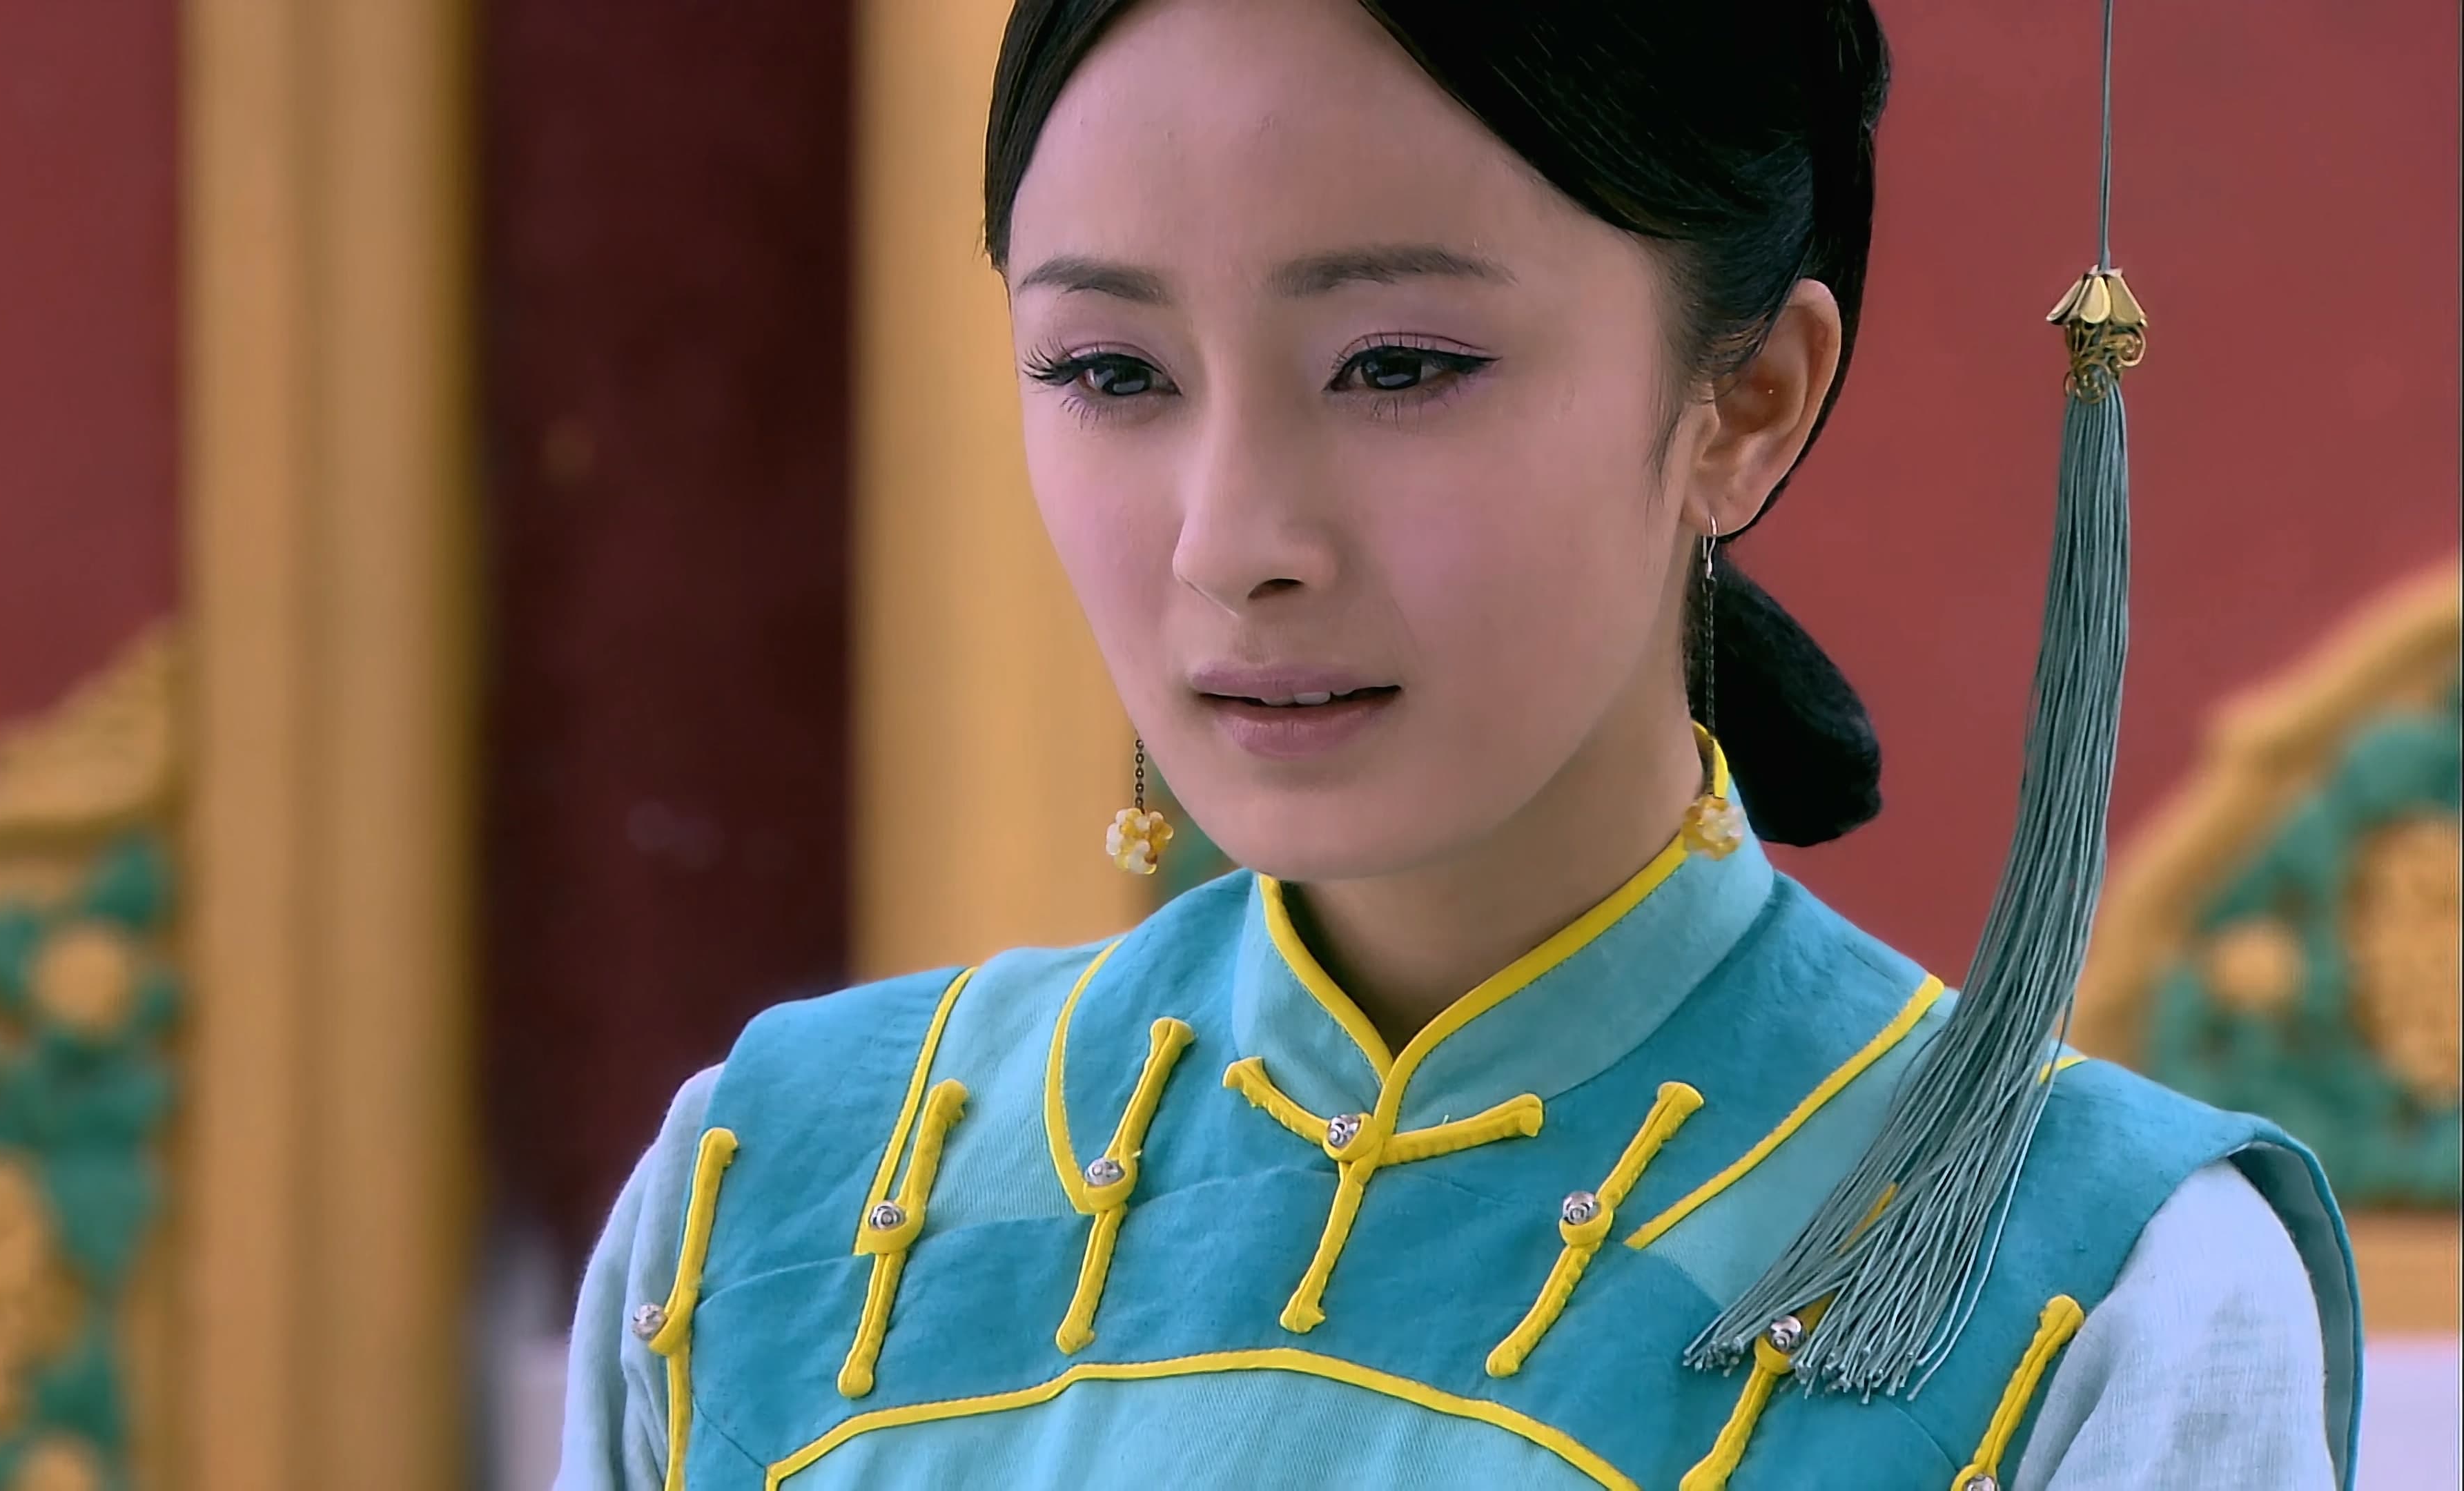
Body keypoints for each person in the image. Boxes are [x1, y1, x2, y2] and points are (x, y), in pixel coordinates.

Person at [558, 1, 2360, 1487]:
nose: (1231, 542)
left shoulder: (2099, 1287)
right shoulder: (759, 1205)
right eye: (1110, 372)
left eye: (1400, 366)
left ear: (1747, 402)